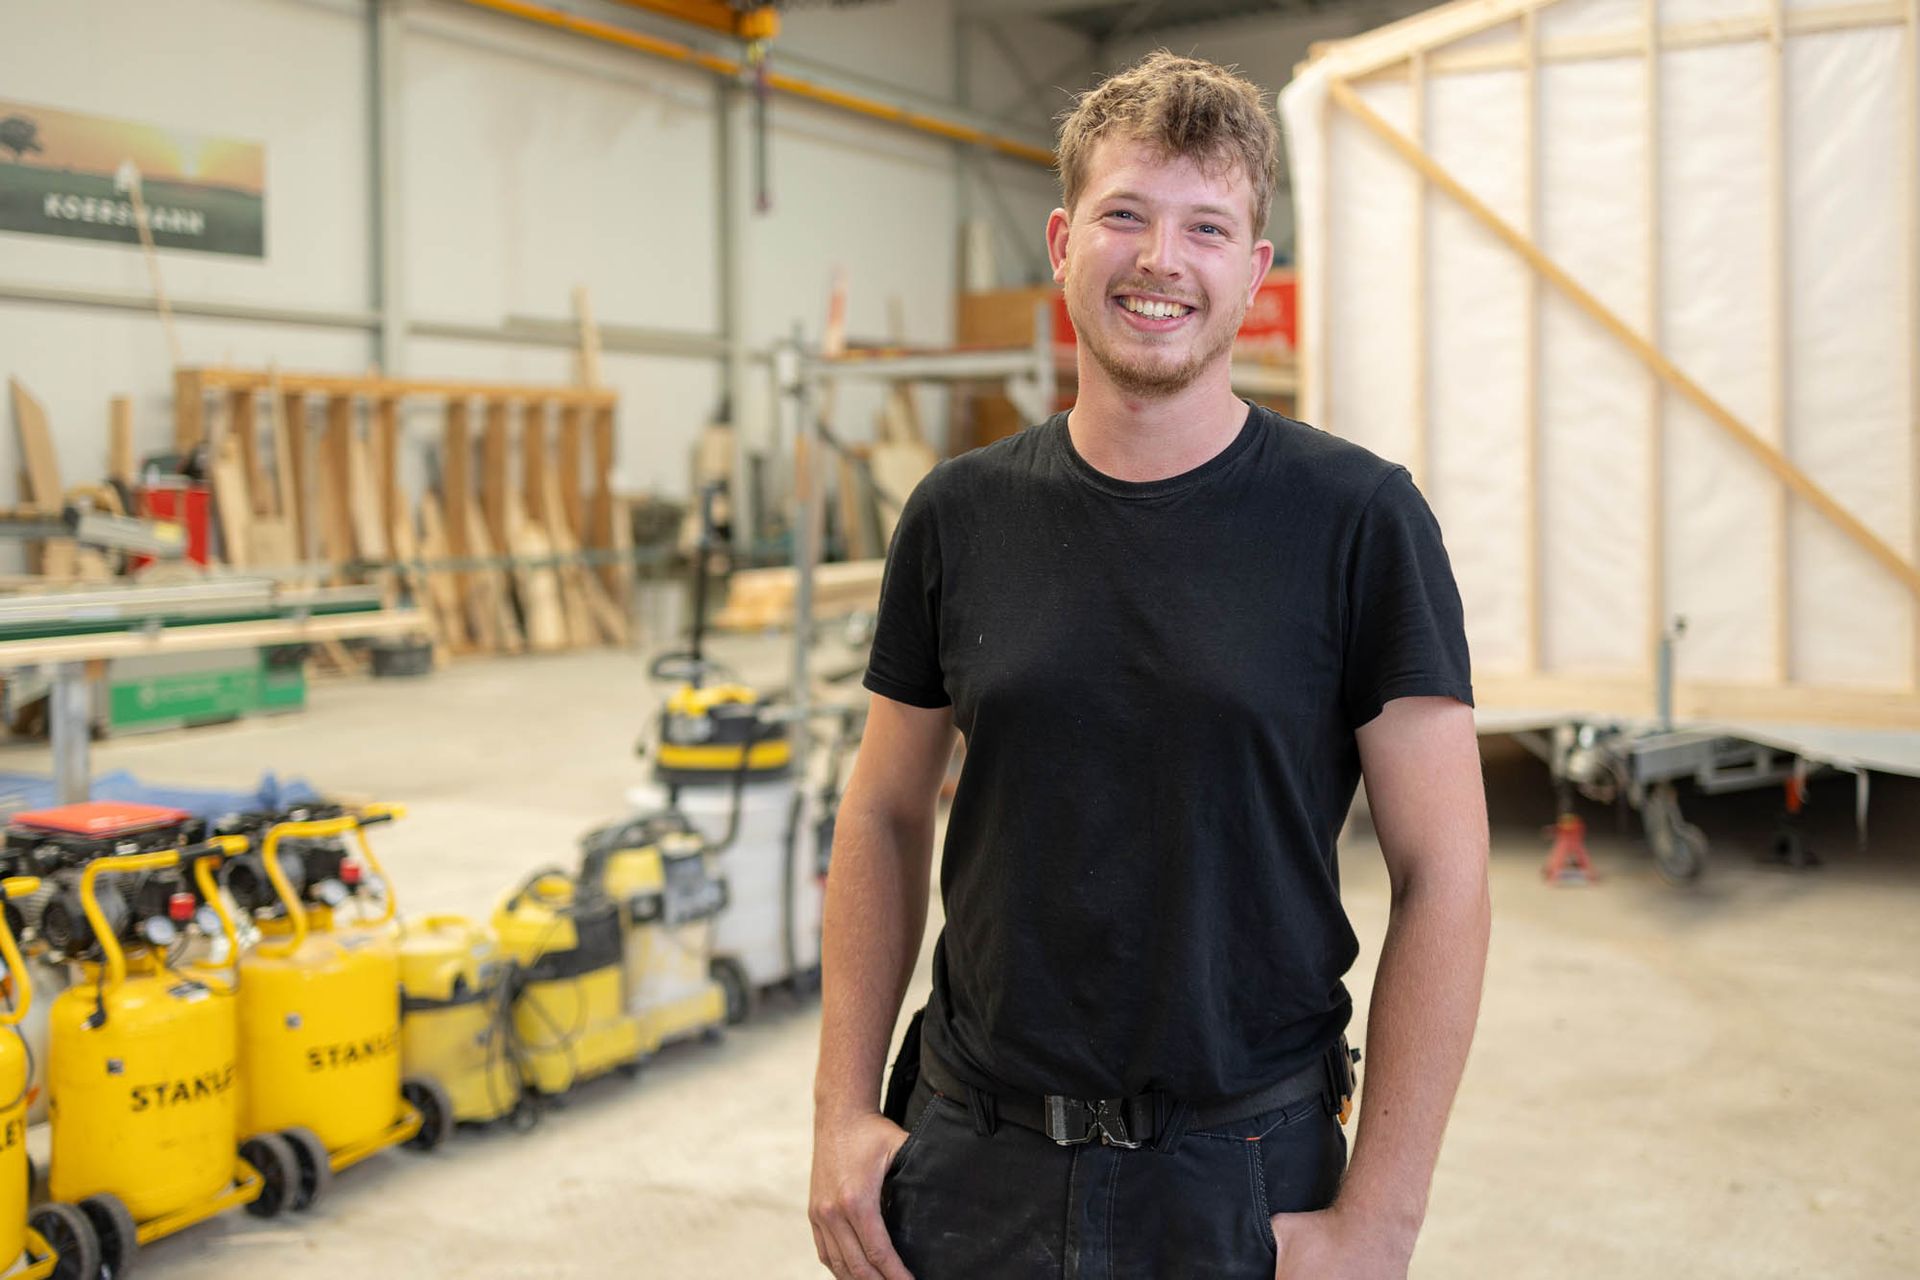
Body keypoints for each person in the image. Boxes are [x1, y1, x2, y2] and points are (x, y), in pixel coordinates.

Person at [809, 50, 1490, 1280]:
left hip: (1242, 1174)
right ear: (1066, 240)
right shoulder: (957, 513)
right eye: (1126, 214)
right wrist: (841, 1113)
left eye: (1206, 226)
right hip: (972, 1155)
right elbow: (884, 808)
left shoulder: (1360, 522)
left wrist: (1380, 1215)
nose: (1161, 259)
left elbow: (1446, 873)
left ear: (1255, 271)